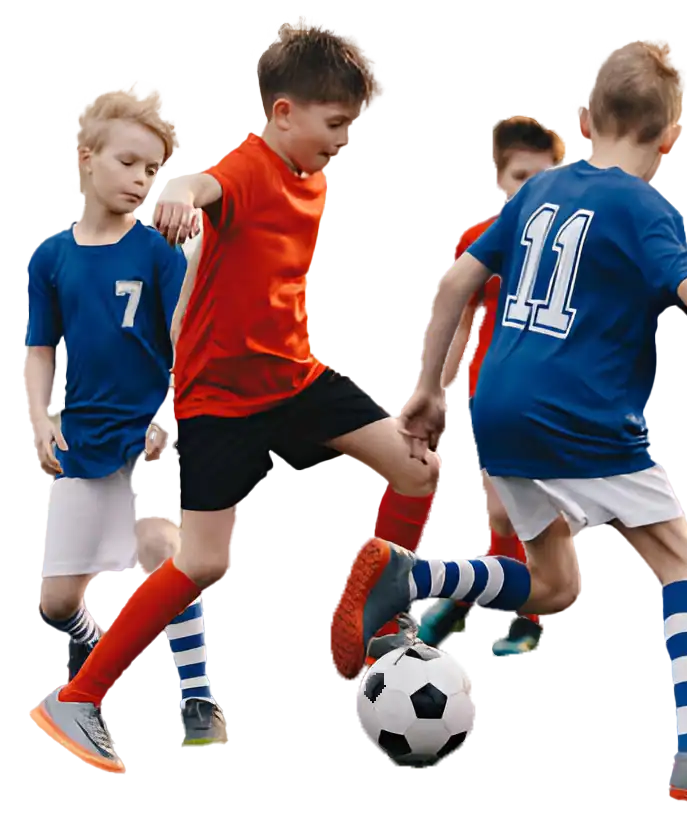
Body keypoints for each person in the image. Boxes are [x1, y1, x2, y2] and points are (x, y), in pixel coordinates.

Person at [330, 41, 687, 805]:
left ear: (587, 117)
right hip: (575, 414)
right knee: (684, 563)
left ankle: (412, 574)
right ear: (668, 138)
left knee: (556, 586)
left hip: (501, 408)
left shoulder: (540, 189)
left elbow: (457, 276)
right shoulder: (637, 203)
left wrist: (424, 391)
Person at [26, 17, 441, 777]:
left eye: (351, 128)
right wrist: (179, 199)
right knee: (204, 562)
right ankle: (77, 697)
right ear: (284, 115)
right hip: (218, 399)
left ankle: (378, 603)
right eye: (334, 126)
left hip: (295, 377)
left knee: (416, 468)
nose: (343, 143)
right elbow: (202, 184)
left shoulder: (312, 176)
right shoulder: (248, 167)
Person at [25, 82, 225, 754]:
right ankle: (94, 654)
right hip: (82, 438)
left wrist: (171, 414)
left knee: (164, 552)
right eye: (129, 162)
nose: (141, 179)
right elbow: (41, 347)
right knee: (55, 601)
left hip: (148, 434)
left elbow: (185, 335)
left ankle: (196, 695)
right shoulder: (50, 258)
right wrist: (38, 417)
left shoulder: (159, 254)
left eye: (152, 169)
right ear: (84, 160)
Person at [377, 115, 560, 660]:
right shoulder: (478, 241)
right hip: (496, 397)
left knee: (525, 512)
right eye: (522, 176)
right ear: (498, 178)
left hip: (557, 397)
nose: (532, 189)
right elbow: (461, 328)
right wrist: (426, 392)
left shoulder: (567, 245)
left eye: (544, 178)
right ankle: (496, 610)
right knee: (507, 512)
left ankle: (487, 606)